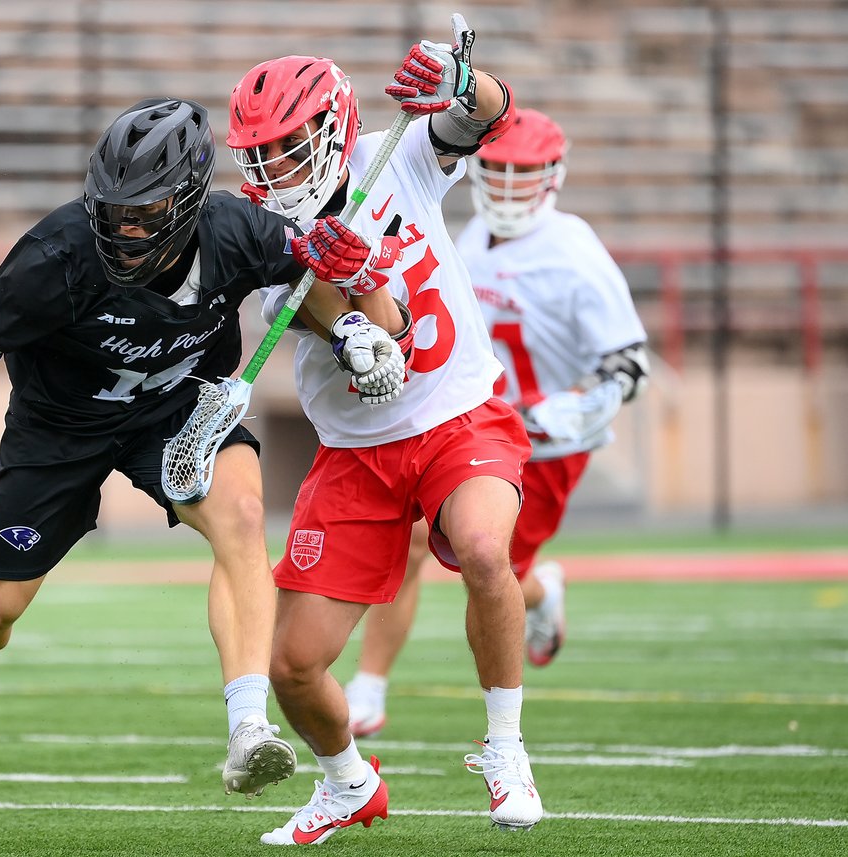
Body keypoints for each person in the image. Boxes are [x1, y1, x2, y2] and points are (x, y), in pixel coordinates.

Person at [0, 98, 407, 801]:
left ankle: (248, 726)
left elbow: (306, 275)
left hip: (176, 409)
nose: (124, 226)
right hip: (57, 428)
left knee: (238, 516)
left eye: (144, 210)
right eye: (113, 209)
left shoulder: (235, 230)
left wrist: (349, 331)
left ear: (191, 202)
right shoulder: (55, 256)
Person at [226, 16, 546, 843]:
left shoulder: (391, 155)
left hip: (456, 414)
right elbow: (377, 345)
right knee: (291, 664)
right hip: (357, 452)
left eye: (289, 146)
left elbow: (491, 113)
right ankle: (347, 783)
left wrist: (455, 77)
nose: (272, 167)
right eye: (260, 152)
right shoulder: (273, 238)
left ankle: (505, 747)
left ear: (333, 130)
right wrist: (349, 287)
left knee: (481, 546)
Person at [343, 107, 650, 740]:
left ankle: (544, 598)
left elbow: (629, 362)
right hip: (472, 426)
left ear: (553, 177)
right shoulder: (469, 239)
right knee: (412, 543)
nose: (509, 186)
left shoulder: (574, 250)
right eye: (499, 170)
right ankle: (368, 688)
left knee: (497, 573)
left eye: (525, 172)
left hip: (548, 442)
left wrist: (585, 400)